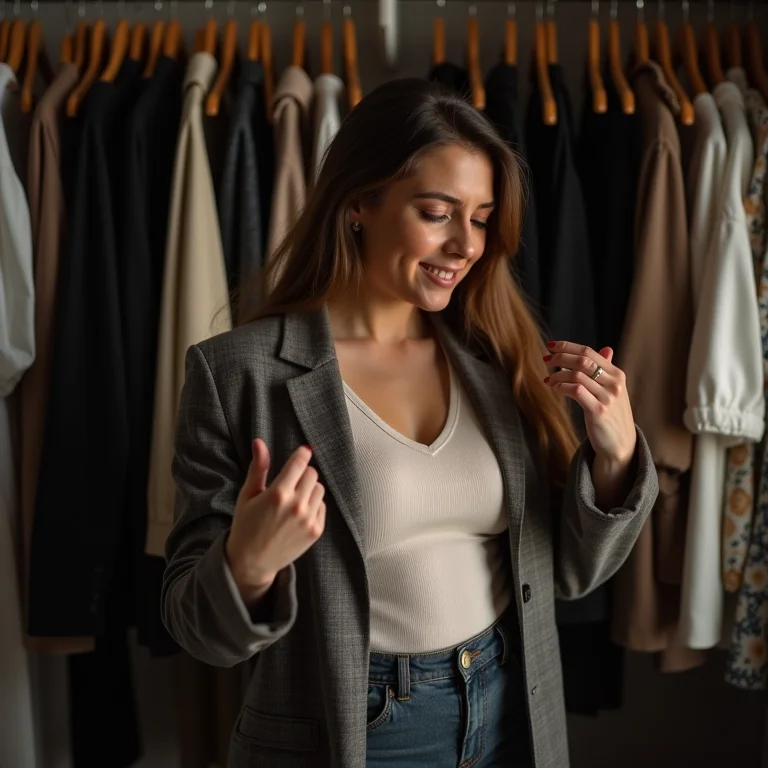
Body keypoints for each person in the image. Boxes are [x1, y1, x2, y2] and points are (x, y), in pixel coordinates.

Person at [161, 78, 659, 768]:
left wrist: (616, 456)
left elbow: (570, 576)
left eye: (482, 218)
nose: (466, 244)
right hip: (360, 730)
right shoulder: (239, 373)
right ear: (359, 202)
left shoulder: (494, 358)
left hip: (511, 706)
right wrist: (246, 563)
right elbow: (196, 628)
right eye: (438, 212)